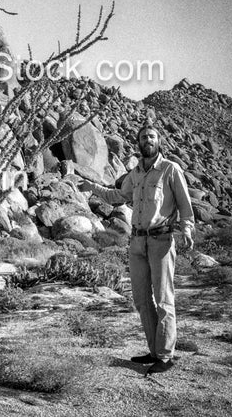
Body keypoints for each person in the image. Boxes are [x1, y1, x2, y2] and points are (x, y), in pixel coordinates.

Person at [79, 123, 194, 374]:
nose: (148, 140)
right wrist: (92, 187)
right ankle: (154, 351)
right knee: (142, 299)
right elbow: (118, 197)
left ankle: (165, 356)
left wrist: (186, 230)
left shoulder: (170, 170)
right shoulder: (135, 174)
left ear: (159, 141)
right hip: (137, 242)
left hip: (161, 241)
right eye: (144, 137)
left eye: (152, 136)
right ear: (139, 143)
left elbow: (185, 206)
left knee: (164, 300)